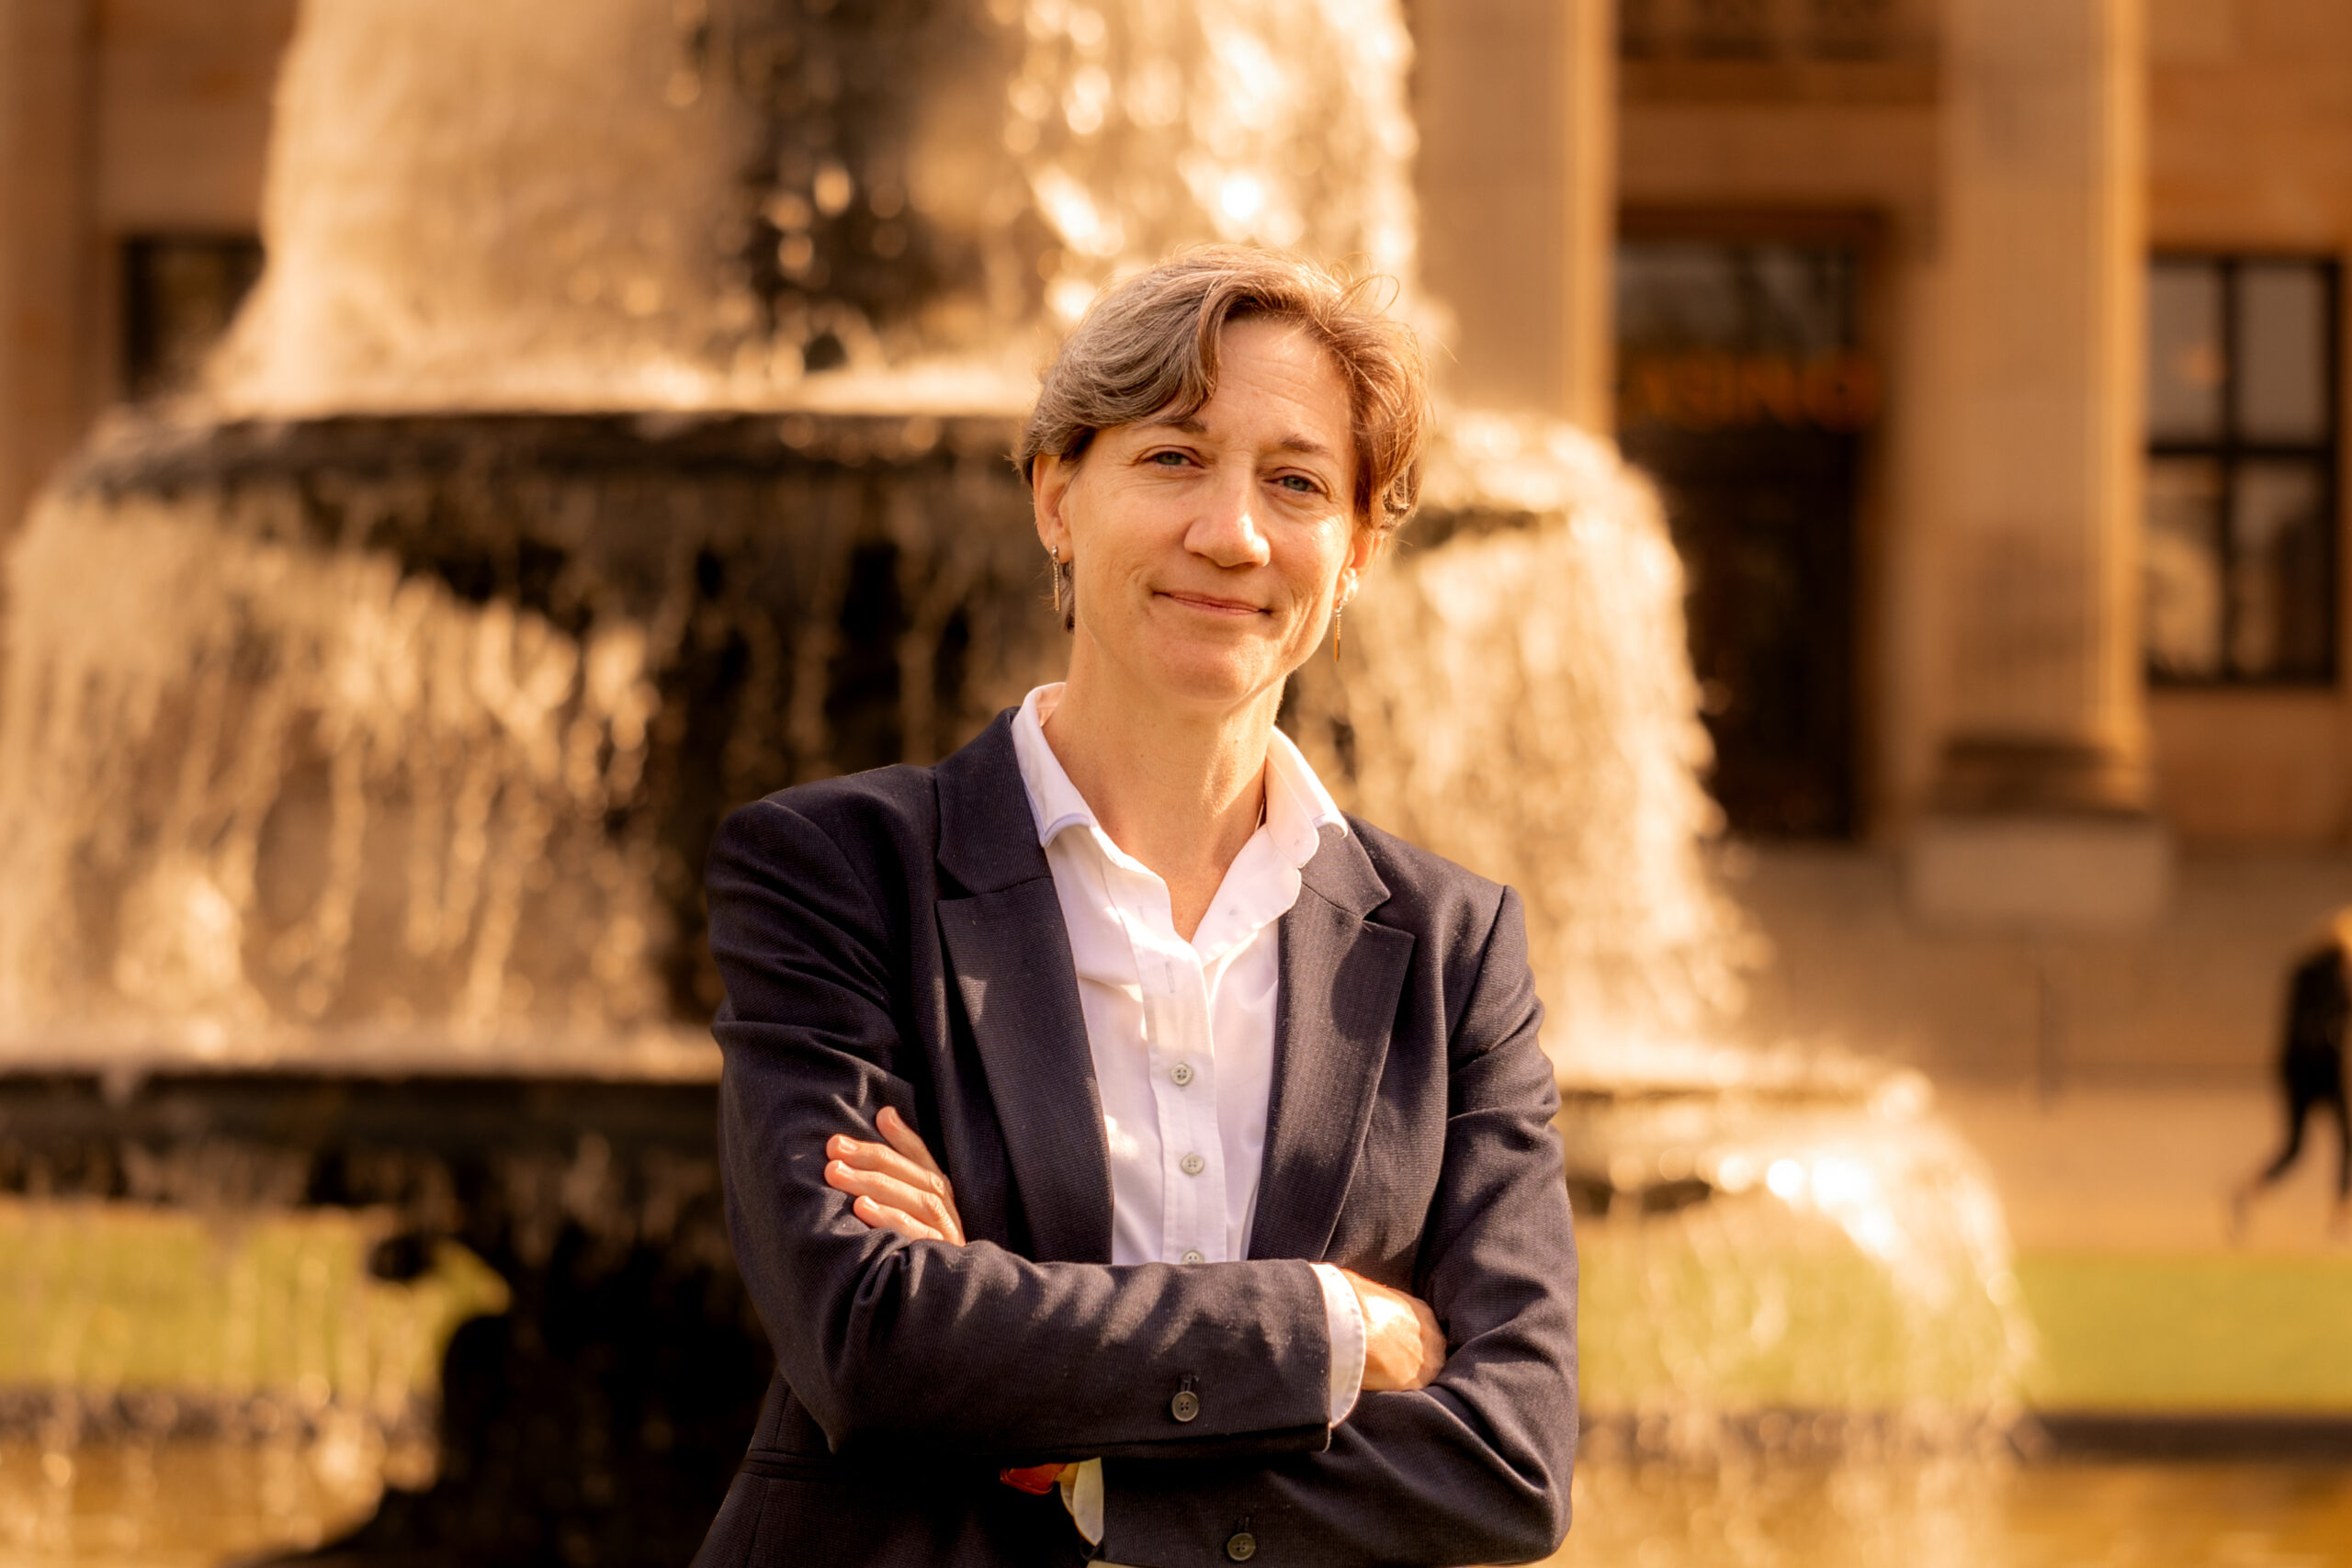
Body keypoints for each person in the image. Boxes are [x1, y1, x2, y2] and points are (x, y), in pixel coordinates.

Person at [692, 246, 1578, 1568]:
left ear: (1353, 556)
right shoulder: (835, 873)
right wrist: (1333, 1326)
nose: (1233, 532)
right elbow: (871, 1338)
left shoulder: (1455, 953)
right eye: (1174, 457)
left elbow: (1510, 1458)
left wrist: (1075, 1438)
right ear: (1057, 495)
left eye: (1297, 482)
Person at [2232, 909, 2352, 1241]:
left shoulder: (2308, 972)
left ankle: (2251, 1190)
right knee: (2338, 1140)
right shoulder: (2332, 978)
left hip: (2298, 1070)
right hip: (2319, 1069)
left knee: (2299, 1146)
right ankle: (2340, 1207)